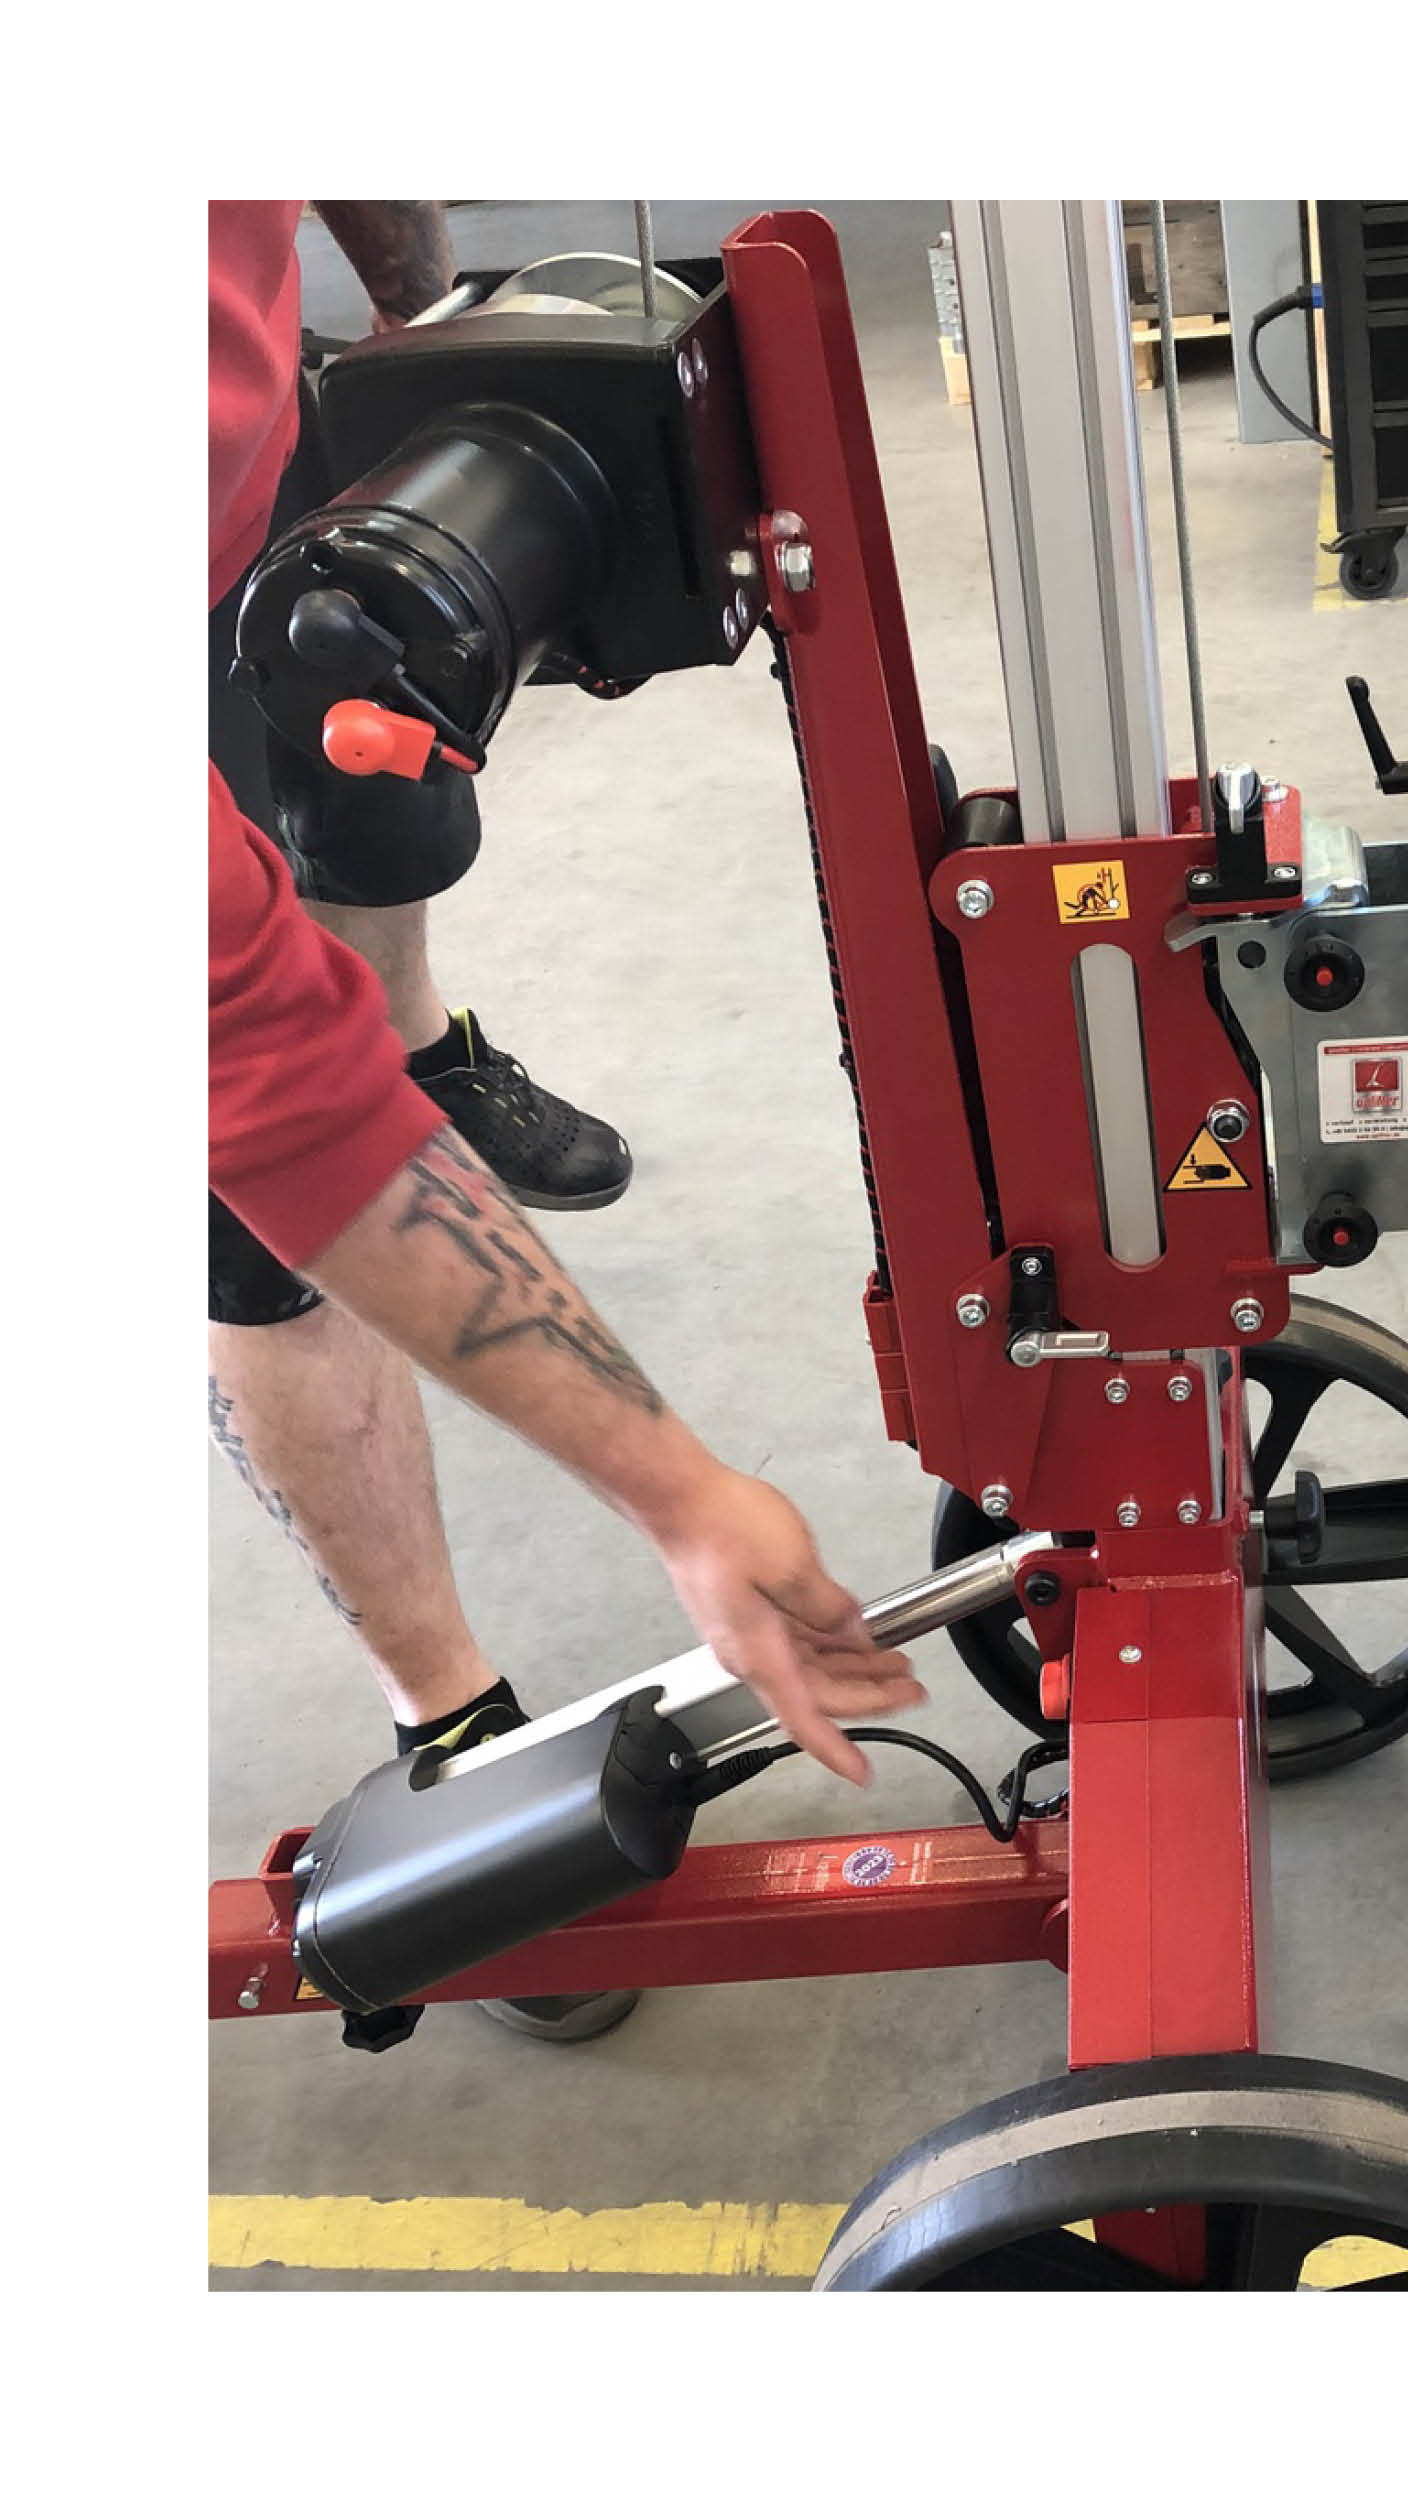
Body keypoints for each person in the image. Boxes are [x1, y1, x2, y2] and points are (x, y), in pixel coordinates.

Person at [210, 201, 922, 2039]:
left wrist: (410, 301)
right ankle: (448, 1724)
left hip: (248, 474)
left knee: (380, 756)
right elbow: (270, 1089)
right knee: (250, 1210)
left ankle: (423, 1046)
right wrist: (684, 1497)